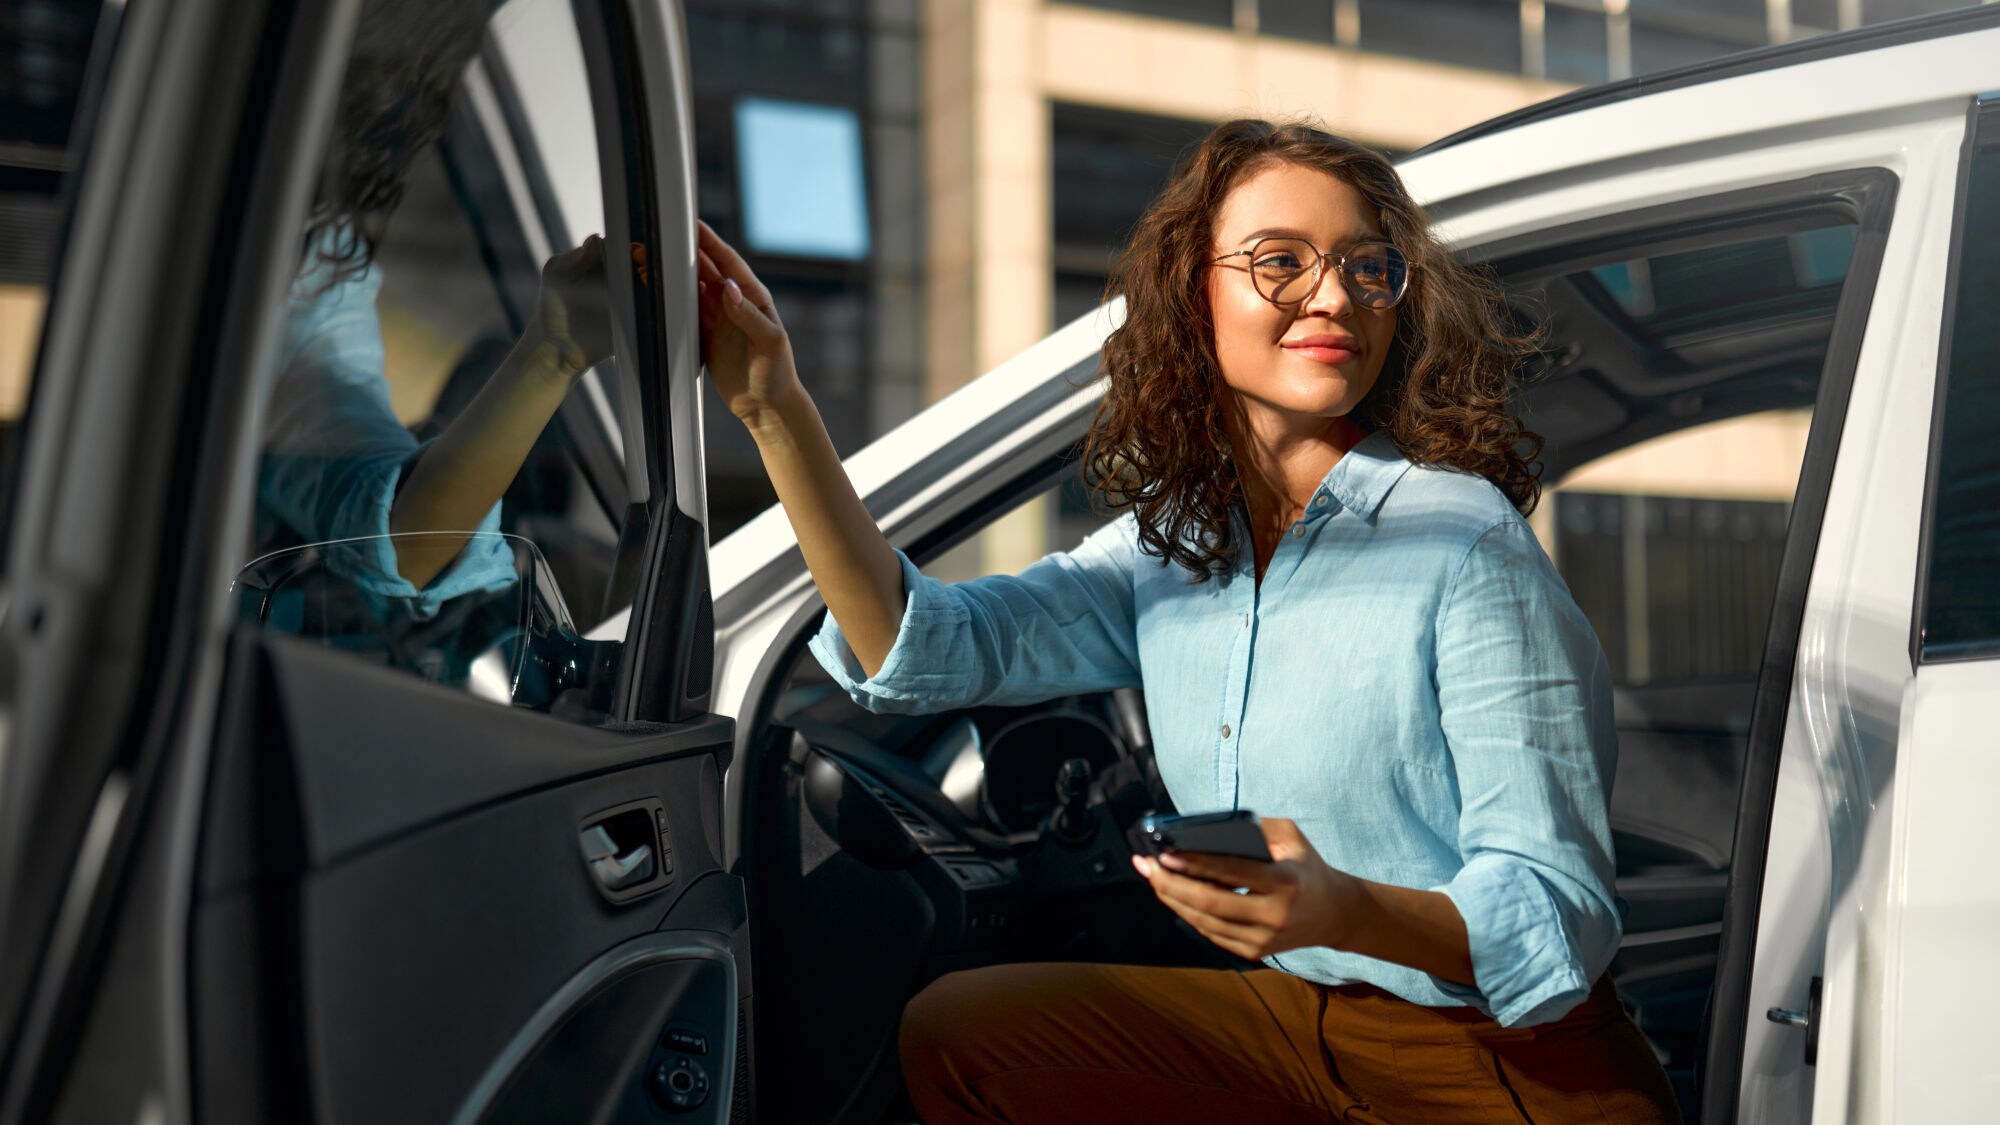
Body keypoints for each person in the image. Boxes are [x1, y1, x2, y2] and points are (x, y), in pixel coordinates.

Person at [695, 118, 1683, 1123]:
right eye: (1280, 261)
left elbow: (1558, 912)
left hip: (1508, 1069)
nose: (1333, 297)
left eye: (1365, 268)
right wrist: (774, 409)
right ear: (1191, 293)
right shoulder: (1174, 548)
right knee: (959, 1035)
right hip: (1308, 1023)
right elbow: (926, 645)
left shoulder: (1463, 541)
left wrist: (1343, 907)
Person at [255, 0, 613, 617]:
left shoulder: (312, 275)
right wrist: (554, 355)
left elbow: (400, 540)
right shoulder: (312, 269)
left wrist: (556, 355)